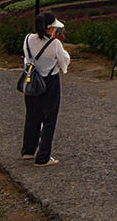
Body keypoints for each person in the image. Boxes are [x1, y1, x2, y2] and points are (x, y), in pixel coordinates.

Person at [21, 11, 71, 167]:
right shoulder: (54, 43)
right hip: (50, 82)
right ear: (50, 28)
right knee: (49, 118)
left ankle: (28, 150)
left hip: (32, 79)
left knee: (32, 115)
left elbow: (27, 58)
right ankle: (43, 157)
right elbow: (65, 61)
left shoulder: (28, 39)